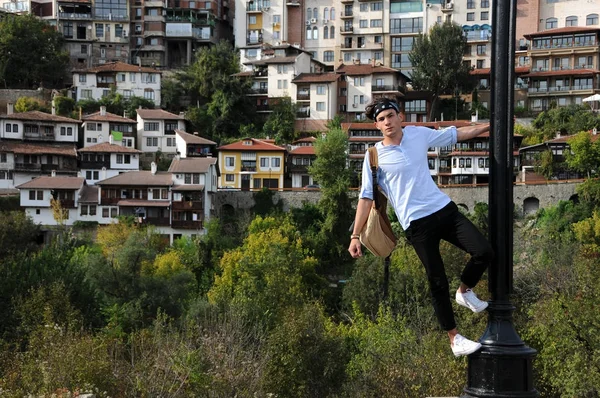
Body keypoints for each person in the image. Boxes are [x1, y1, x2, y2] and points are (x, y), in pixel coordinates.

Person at [348, 98, 494, 357]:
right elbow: (366, 197)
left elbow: (455, 134)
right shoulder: (374, 157)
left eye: (391, 116)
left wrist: (489, 125)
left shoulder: (418, 135)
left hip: (443, 209)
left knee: (483, 250)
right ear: (377, 125)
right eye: (381, 120)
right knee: (437, 280)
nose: (387, 122)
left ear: (400, 117)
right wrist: (355, 235)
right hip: (416, 224)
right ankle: (454, 339)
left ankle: (464, 291)